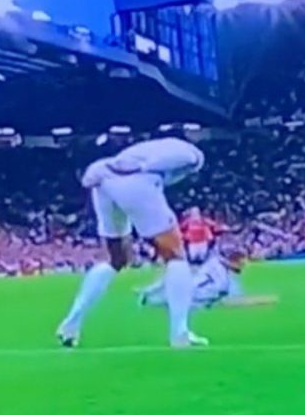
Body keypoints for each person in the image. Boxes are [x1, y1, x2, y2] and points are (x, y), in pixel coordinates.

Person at [56, 137, 208, 349]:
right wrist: (142, 167)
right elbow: (181, 158)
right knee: (176, 255)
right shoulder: (193, 155)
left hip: (103, 181)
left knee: (116, 259)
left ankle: (71, 324)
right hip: (135, 181)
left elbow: (115, 164)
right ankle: (180, 333)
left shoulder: (148, 146)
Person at [138, 251, 278, 309]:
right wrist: (262, 300)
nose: (243, 267)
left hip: (192, 286)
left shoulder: (214, 262)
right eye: (241, 264)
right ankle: (148, 296)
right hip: (198, 295)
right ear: (234, 262)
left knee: (169, 295)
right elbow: (229, 301)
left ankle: (147, 295)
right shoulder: (227, 281)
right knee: (177, 303)